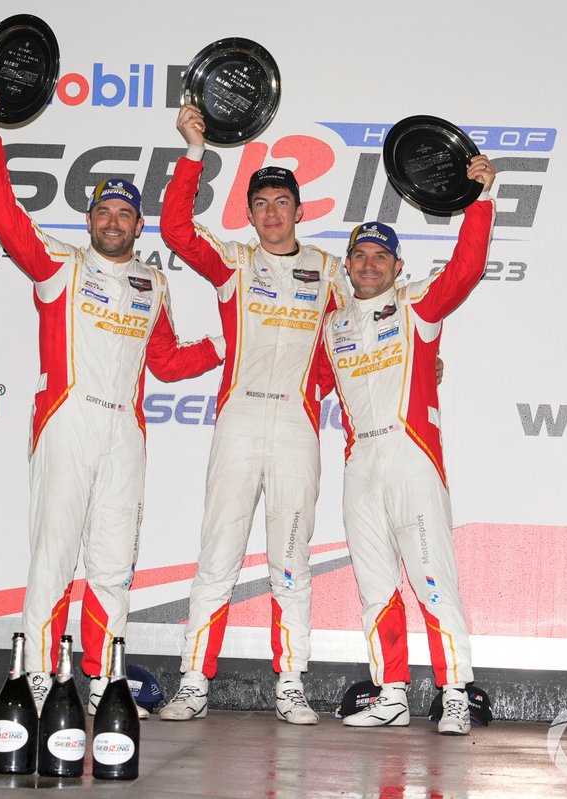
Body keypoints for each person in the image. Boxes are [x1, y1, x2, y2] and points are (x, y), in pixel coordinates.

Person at [0, 84, 223, 718]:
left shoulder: (153, 283)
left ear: (139, 226)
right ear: (89, 221)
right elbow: (1, 213)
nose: (113, 222)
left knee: (112, 566)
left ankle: (104, 680)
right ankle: (35, 678)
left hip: (126, 435)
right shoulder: (59, 266)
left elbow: (165, 362)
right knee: (53, 556)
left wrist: (229, 341)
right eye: (104, 212)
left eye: (125, 215)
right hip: (67, 422)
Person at [155, 104, 350, 724]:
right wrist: (193, 153)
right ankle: (192, 680)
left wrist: (427, 368)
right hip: (238, 420)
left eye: (281, 203)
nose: (271, 213)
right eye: (260, 203)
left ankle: (290, 683)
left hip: (296, 425)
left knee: (291, 560)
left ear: (299, 210)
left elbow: (372, 332)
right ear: (249, 214)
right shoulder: (236, 263)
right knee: (218, 555)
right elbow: (177, 230)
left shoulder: (330, 271)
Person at [315, 155, 496, 735]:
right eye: (360, 256)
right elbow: (304, 382)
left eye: (381, 257)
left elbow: (466, 269)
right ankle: (390, 692)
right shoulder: (333, 324)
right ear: (347, 266)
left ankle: (454, 695)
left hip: (411, 457)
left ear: (398, 264)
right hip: (359, 463)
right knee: (374, 586)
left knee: (432, 579)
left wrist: (481, 200)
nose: (370, 265)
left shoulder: (417, 305)